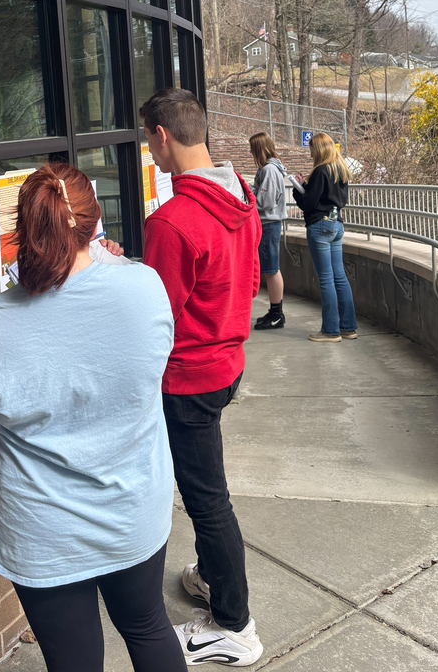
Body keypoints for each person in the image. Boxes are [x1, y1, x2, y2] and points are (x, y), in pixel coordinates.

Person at [0, 163, 185, 672]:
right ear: (95, 226)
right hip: (132, 508)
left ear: (19, 234)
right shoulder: (145, 289)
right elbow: (146, 373)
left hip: (41, 530)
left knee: (72, 662)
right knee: (148, 627)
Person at [140, 88, 264, 667]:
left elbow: (155, 315)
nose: (150, 152)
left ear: (161, 136)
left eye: (148, 140)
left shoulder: (171, 220)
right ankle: (214, 575)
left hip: (187, 378)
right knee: (208, 493)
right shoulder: (240, 194)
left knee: (207, 501)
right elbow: (239, 276)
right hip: (226, 363)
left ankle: (234, 624)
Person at [292, 132, 357, 342]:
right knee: (340, 276)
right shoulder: (340, 170)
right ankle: (348, 327)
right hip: (336, 225)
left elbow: (308, 203)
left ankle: (330, 331)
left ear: (319, 149)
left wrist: (297, 189)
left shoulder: (320, 171)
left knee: (326, 279)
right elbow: (339, 199)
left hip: (320, 226)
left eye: (311, 149)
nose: (310, 153)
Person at [249, 132, 287, 329]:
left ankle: (276, 314)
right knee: (270, 269)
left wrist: (251, 193)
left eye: (252, 149)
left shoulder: (269, 170)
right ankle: (275, 311)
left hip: (268, 224)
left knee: (271, 270)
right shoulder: (272, 169)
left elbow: (266, 201)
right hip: (269, 223)